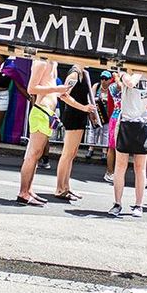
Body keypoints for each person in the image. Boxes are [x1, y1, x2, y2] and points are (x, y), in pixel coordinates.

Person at [16, 60, 71, 206]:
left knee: (37, 154)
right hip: (41, 111)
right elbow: (31, 89)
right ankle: (23, 192)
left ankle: (28, 189)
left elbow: (48, 86)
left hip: (47, 112)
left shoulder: (53, 63)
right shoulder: (41, 62)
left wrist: (60, 92)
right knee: (33, 154)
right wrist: (56, 89)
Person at [109, 72, 147, 217]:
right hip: (125, 121)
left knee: (140, 168)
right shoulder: (125, 73)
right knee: (120, 165)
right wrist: (140, 70)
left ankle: (139, 205)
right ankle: (117, 203)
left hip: (143, 123)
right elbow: (130, 83)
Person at [54, 64, 96, 200]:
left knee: (72, 154)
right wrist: (83, 107)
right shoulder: (74, 74)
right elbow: (63, 95)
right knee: (67, 153)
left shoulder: (83, 73)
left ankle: (66, 187)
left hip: (80, 115)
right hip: (73, 115)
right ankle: (60, 188)